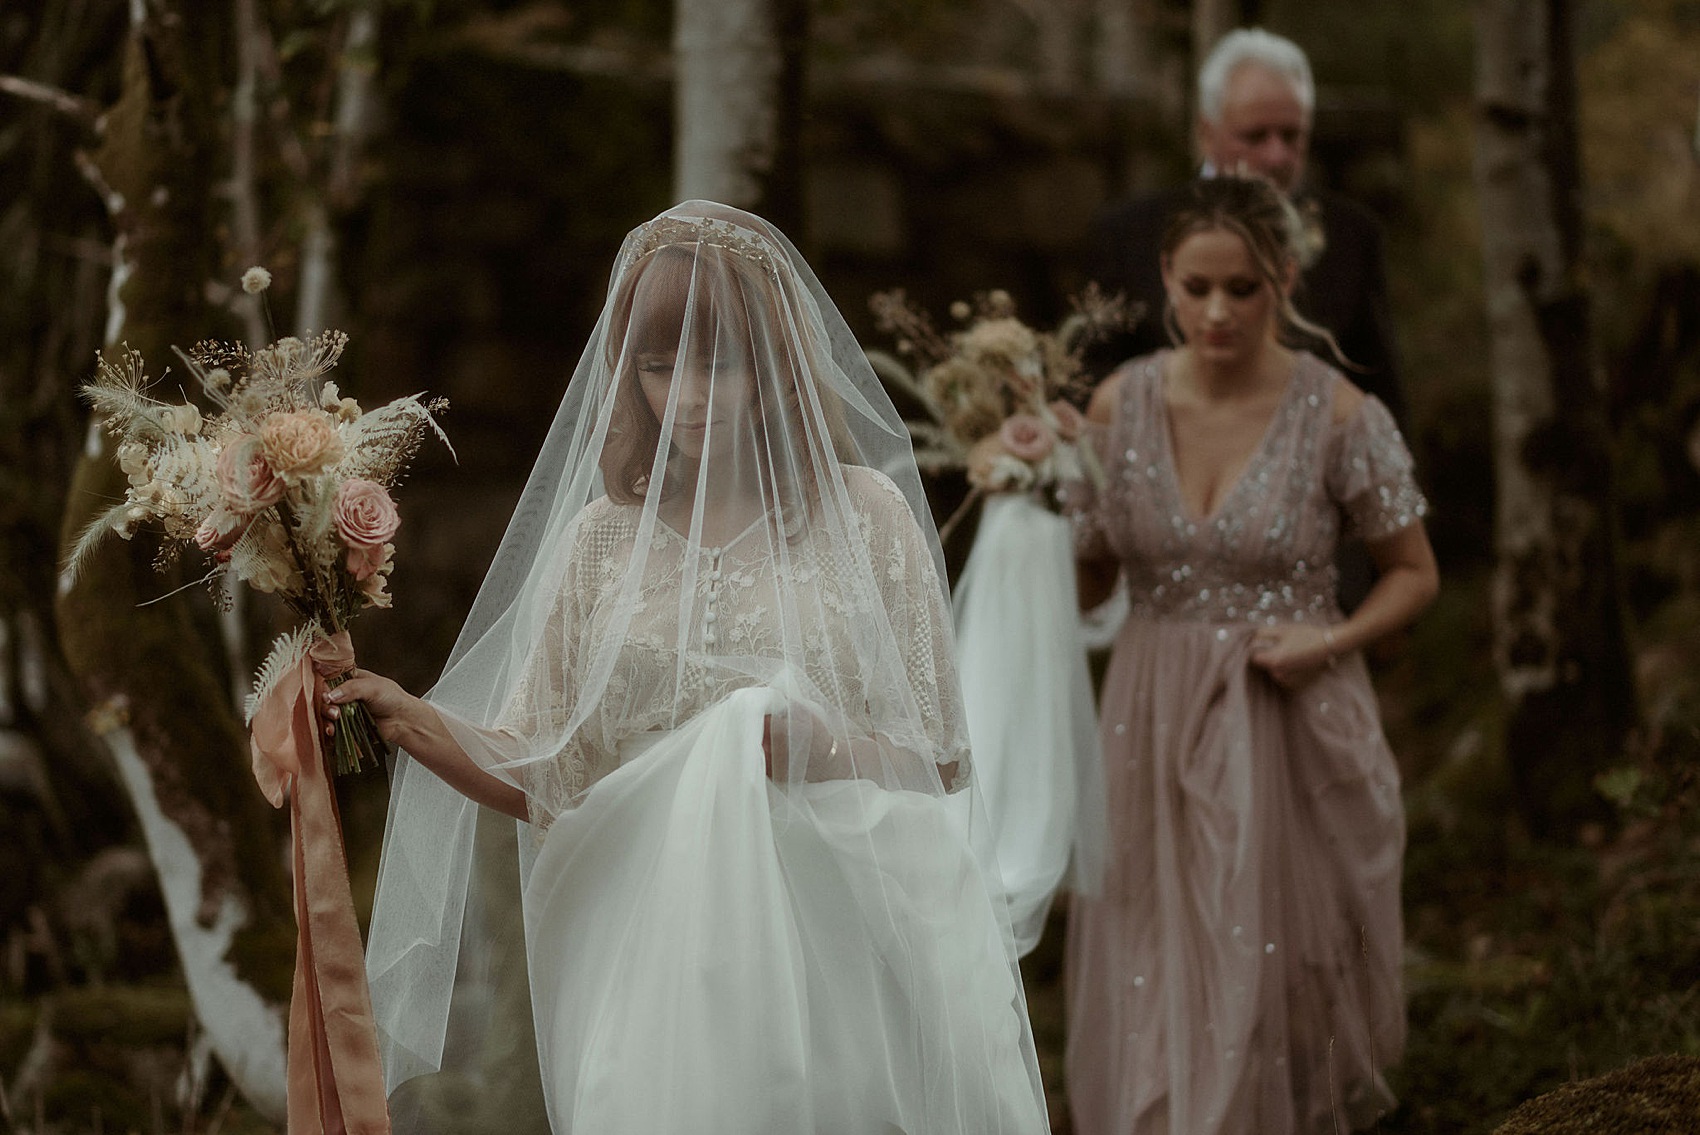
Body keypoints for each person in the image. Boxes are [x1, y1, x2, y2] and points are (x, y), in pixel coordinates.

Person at [320, 202, 1051, 1134]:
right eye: (663, 366)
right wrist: (409, 716)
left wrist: (823, 746)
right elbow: (551, 766)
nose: (692, 394)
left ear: (778, 366)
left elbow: (939, 753)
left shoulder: (863, 516)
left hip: (843, 946)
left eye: (721, 362)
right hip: (657, 947)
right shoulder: (598, 545)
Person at [1061, 176, 1437, 1134]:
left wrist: (1334, 635)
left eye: (1242, 288)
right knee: (1158, 953)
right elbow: (1092, 584)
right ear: (1164, 281)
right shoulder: (1116, 406)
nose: (1216, 311)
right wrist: (1035, 510)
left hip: (1287, 713)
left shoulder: (1339, 414)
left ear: (1285, 283)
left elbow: (1414, 571)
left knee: (1274, 970)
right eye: (1196, 288)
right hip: (1148, 710)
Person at [1083, 28, 1405, 428]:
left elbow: (1383, 398)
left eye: (1292, 136)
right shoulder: (1127, 233)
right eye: (1255, 136)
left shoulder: (1353, 235)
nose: (1276, 155)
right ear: (1206, 133)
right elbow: (1089, 381)